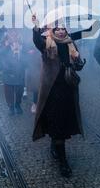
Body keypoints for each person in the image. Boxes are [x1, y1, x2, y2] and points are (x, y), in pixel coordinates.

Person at [32, 15, 85, 178]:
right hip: (52, 91)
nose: (61, 32)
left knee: (63, 124)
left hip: (68, 90)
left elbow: (78, 66)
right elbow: (37, 42)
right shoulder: (47, 43)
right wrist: (35, 27)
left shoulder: (71, 43)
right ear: (53, 30)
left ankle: (55, 146)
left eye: (63, 29)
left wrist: (78, 61)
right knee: (57, 125)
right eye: (58, 29)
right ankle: (63, 162)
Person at [0, 30, 26, 116]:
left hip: (19, 73)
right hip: (8, 73)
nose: (13, 36)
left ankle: (18, 105)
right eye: (11, 34)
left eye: (15, 34)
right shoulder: (4, 44)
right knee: (8, 92)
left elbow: (26, 59)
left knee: (19, 91)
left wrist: (20, 52)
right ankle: (11, 107)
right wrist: (6, 47)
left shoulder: (22, 45)